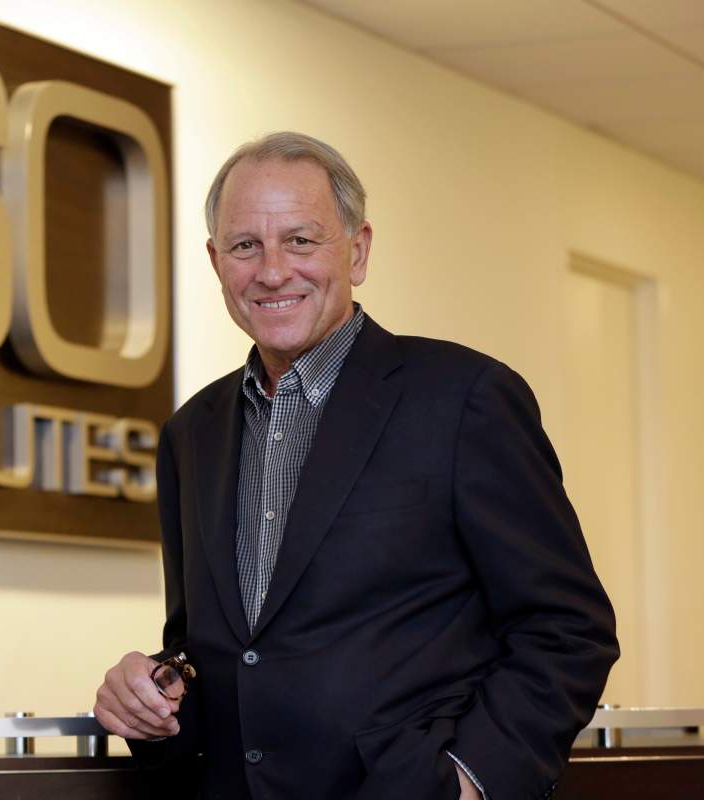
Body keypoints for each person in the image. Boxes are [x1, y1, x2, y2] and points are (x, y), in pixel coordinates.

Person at [94, 132, 618, 800]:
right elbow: (215, 655)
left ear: (359, 250)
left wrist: (471, 781)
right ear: (215, 261)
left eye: (302, 240)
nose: (273, 270)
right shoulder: (191, 432)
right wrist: (151, 694)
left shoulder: (463, 400)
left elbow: (567, 628)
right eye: (245, 245)